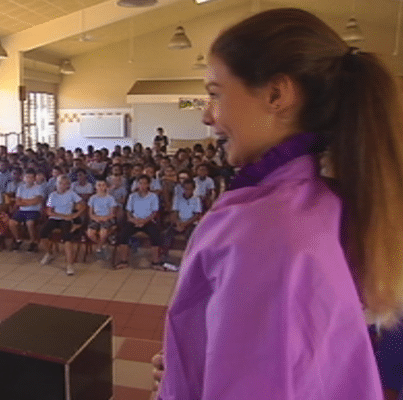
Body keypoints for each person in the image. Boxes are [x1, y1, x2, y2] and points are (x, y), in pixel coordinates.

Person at [154, 8, 403, 400]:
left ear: (276, 94)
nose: (206, 115)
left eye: (216, 94)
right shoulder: (317, 203)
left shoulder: (268, 230)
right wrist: (191, 365)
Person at [39, 175, 85, 275]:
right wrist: (63, 216)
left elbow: (83, 205)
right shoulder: (52, 195)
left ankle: (70, 265)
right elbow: (49, 212)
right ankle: (49, 253)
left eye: (65, 184)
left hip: (67, 220)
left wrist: (74, 215)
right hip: (55, 218)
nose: (62, 186)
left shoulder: (71, 194)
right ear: (57, 184)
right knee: (42, 233)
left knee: (67, 239)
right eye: (60, 183)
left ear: (68, 185)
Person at [115, 175, 162, 270]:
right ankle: (123, 261)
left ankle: (155, 262)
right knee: (123, 234)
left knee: (155, 235)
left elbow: (154, 212)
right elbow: (128, 211)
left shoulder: (153, 196)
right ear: (137, 184)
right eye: (140, 183)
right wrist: (132, 220)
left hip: (148, 221)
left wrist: (144, 221)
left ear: (148, 185)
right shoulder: (132, 196)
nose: (142, 185)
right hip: (134, 220)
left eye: (145, 183)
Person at [159, 178, 201, 270]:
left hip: (190, 223)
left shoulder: (196, 199)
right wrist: (178, 224)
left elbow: (197, 215)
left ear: (193, 189)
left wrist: (185, 224)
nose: (187, 191)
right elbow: (174, 213)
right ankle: (163, 257)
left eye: (190, 189)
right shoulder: (178, 198)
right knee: (167, 234)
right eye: (186, 189)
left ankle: (189, 259)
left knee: (190, 236)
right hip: (179, 222)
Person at [8, 168, 43, 252]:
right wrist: (29, 201)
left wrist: (24, 201)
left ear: (34, 178)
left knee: (30, 223)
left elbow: (37, 201)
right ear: (24, 178)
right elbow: (18, 202)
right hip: (22, 211)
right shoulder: (20, 188)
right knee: (12, 223)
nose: (29, 179)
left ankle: (33, 242)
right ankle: (18, 240)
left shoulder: (39, 187)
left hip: (34, 211)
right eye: (27, 177)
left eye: (31, 177)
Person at [86, 179, 118, 260]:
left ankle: (99, 248)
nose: (101, 187)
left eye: (103, 185)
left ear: (106, 187)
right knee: (90, 233)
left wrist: (105, 218)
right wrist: (96, 218)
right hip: (96, 218)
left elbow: (112, 214)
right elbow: (90, 213)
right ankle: (103, 245)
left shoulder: (110, 198)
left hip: (107, 218)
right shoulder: (92, 198)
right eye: (99, 185)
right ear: (95, 187)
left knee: (103, 233)